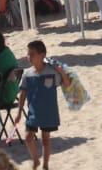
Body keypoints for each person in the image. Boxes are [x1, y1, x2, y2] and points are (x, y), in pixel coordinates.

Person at [17, 39, 70, 170]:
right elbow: (23, 93)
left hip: (48, 111)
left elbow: (67, 84)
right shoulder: (27, 73)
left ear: (42, 55)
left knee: (46, 140)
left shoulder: (52, 72)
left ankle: (45, 165)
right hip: (33, 111)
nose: (29, 57)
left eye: (32, 54)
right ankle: (36, 160)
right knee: (28, 137)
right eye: (28, 54)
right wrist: (19, 112)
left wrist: (60, 70)